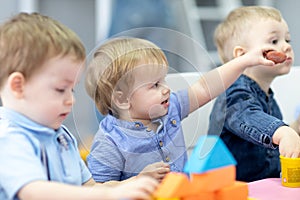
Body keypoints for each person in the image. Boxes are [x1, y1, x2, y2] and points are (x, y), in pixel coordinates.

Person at [0, 12, 158, 200]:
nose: (71, 100)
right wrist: (111, 196)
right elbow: (35, 192)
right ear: (18, 86)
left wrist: (131, 185)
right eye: (60, 89)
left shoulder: (61, 136)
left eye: (72, 90)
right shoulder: (9, 138)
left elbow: (88, 187)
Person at [85, 37, 275, 185]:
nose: (166, 88)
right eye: (155, 85)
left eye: (164, 80)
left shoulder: (170, 110)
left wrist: (244, 61)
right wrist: (136, 181)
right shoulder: (109, 141)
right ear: (122, 99)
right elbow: (97, 190)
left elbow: (204, 88)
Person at [207, 6, 300, 182]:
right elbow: (248, 116)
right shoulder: (233, 93)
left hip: (266, 185)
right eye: (274, 41)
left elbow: (271, 145)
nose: (286, 46)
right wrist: (283, 132)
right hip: (236, 190)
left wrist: (294, 128)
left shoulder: (266, 94)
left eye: (288, 39)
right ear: (242, 56)